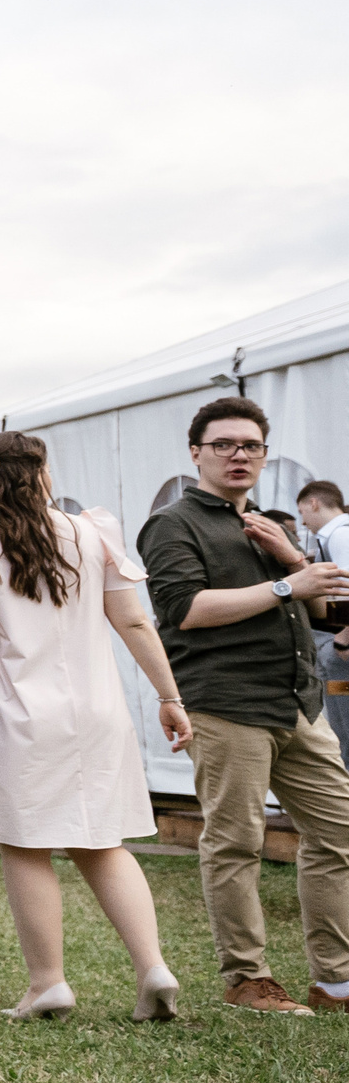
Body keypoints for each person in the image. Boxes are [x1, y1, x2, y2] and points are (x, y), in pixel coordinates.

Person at [0, 432, 187, 1022]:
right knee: (102, 842)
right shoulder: (94, 531)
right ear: (41, 472)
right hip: (95, 711)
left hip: (16, 711)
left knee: (25, 843)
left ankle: (48, 983)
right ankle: (153, 967)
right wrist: (170, 697)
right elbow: (135, 623)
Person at [135, 397, 349, 1016]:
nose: (239, 455)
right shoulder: (173, 524)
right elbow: (184, 611)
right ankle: (247, 979)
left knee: (336, 836)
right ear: (196, 452)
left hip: (298, 705)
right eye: (225, 444)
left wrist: (292, 561)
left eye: (251, 446)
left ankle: (335, 981)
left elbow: (319, 612)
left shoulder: (265, 524)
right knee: (235, 843)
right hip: (226, 704)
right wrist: (287, 583)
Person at [300, 479, 349, 757]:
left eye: (302, 511)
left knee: (343, 720)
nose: (304, 520)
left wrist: (342, 642)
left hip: (341, 649)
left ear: (313, 503)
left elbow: (347, 588)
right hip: (339, 646)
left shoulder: (339, 535)